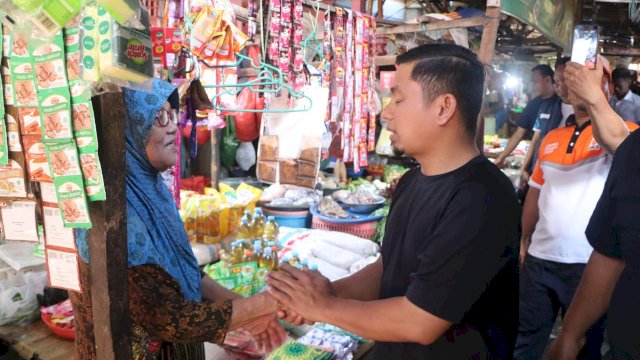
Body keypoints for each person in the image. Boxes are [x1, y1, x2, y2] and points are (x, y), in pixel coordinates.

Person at [267, 43, 520, 359]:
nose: (386, 112)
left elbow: (421, 321)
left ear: (444, 108)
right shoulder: (413, 180)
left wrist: (325, 306)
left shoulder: (482, 198)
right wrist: (329, 293)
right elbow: (389, 267)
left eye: (398, 99)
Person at [69, 80, 287, 359]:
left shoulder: (151, 191)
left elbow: (184, 273)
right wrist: (272, 302)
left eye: (173, 114)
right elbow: (170, 317)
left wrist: (245, 307)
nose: (173, 126)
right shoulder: (115, 214)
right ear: (128, 129)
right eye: (158, 117)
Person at [515, 56, 638, 360]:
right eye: (572, 80)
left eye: (594, 79)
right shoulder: (552, 138)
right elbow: (537, 192)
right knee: (527, 340)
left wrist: (595, 100)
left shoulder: (627, 134)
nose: (579, 86)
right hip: (540, 260)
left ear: (606, 88)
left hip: (588, 265)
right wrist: (524, 238)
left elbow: (615, 137)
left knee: (587, 345)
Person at [520, 57, 574, 183]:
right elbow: (536, 139)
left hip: (566, 176)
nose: (557, 85)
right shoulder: (547, 107)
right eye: (556, 80)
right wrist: (524, 167)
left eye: (562, 80)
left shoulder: (584, 111)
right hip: (540, 171)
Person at [495, 64, 556, 169]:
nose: (531, 86)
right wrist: (501, 157)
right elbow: (519, 134)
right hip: (536, 161)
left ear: (547, 80)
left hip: (555, 160)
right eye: (531, 82)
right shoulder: (533, 104)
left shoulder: (561, 103)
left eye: (534, 81)